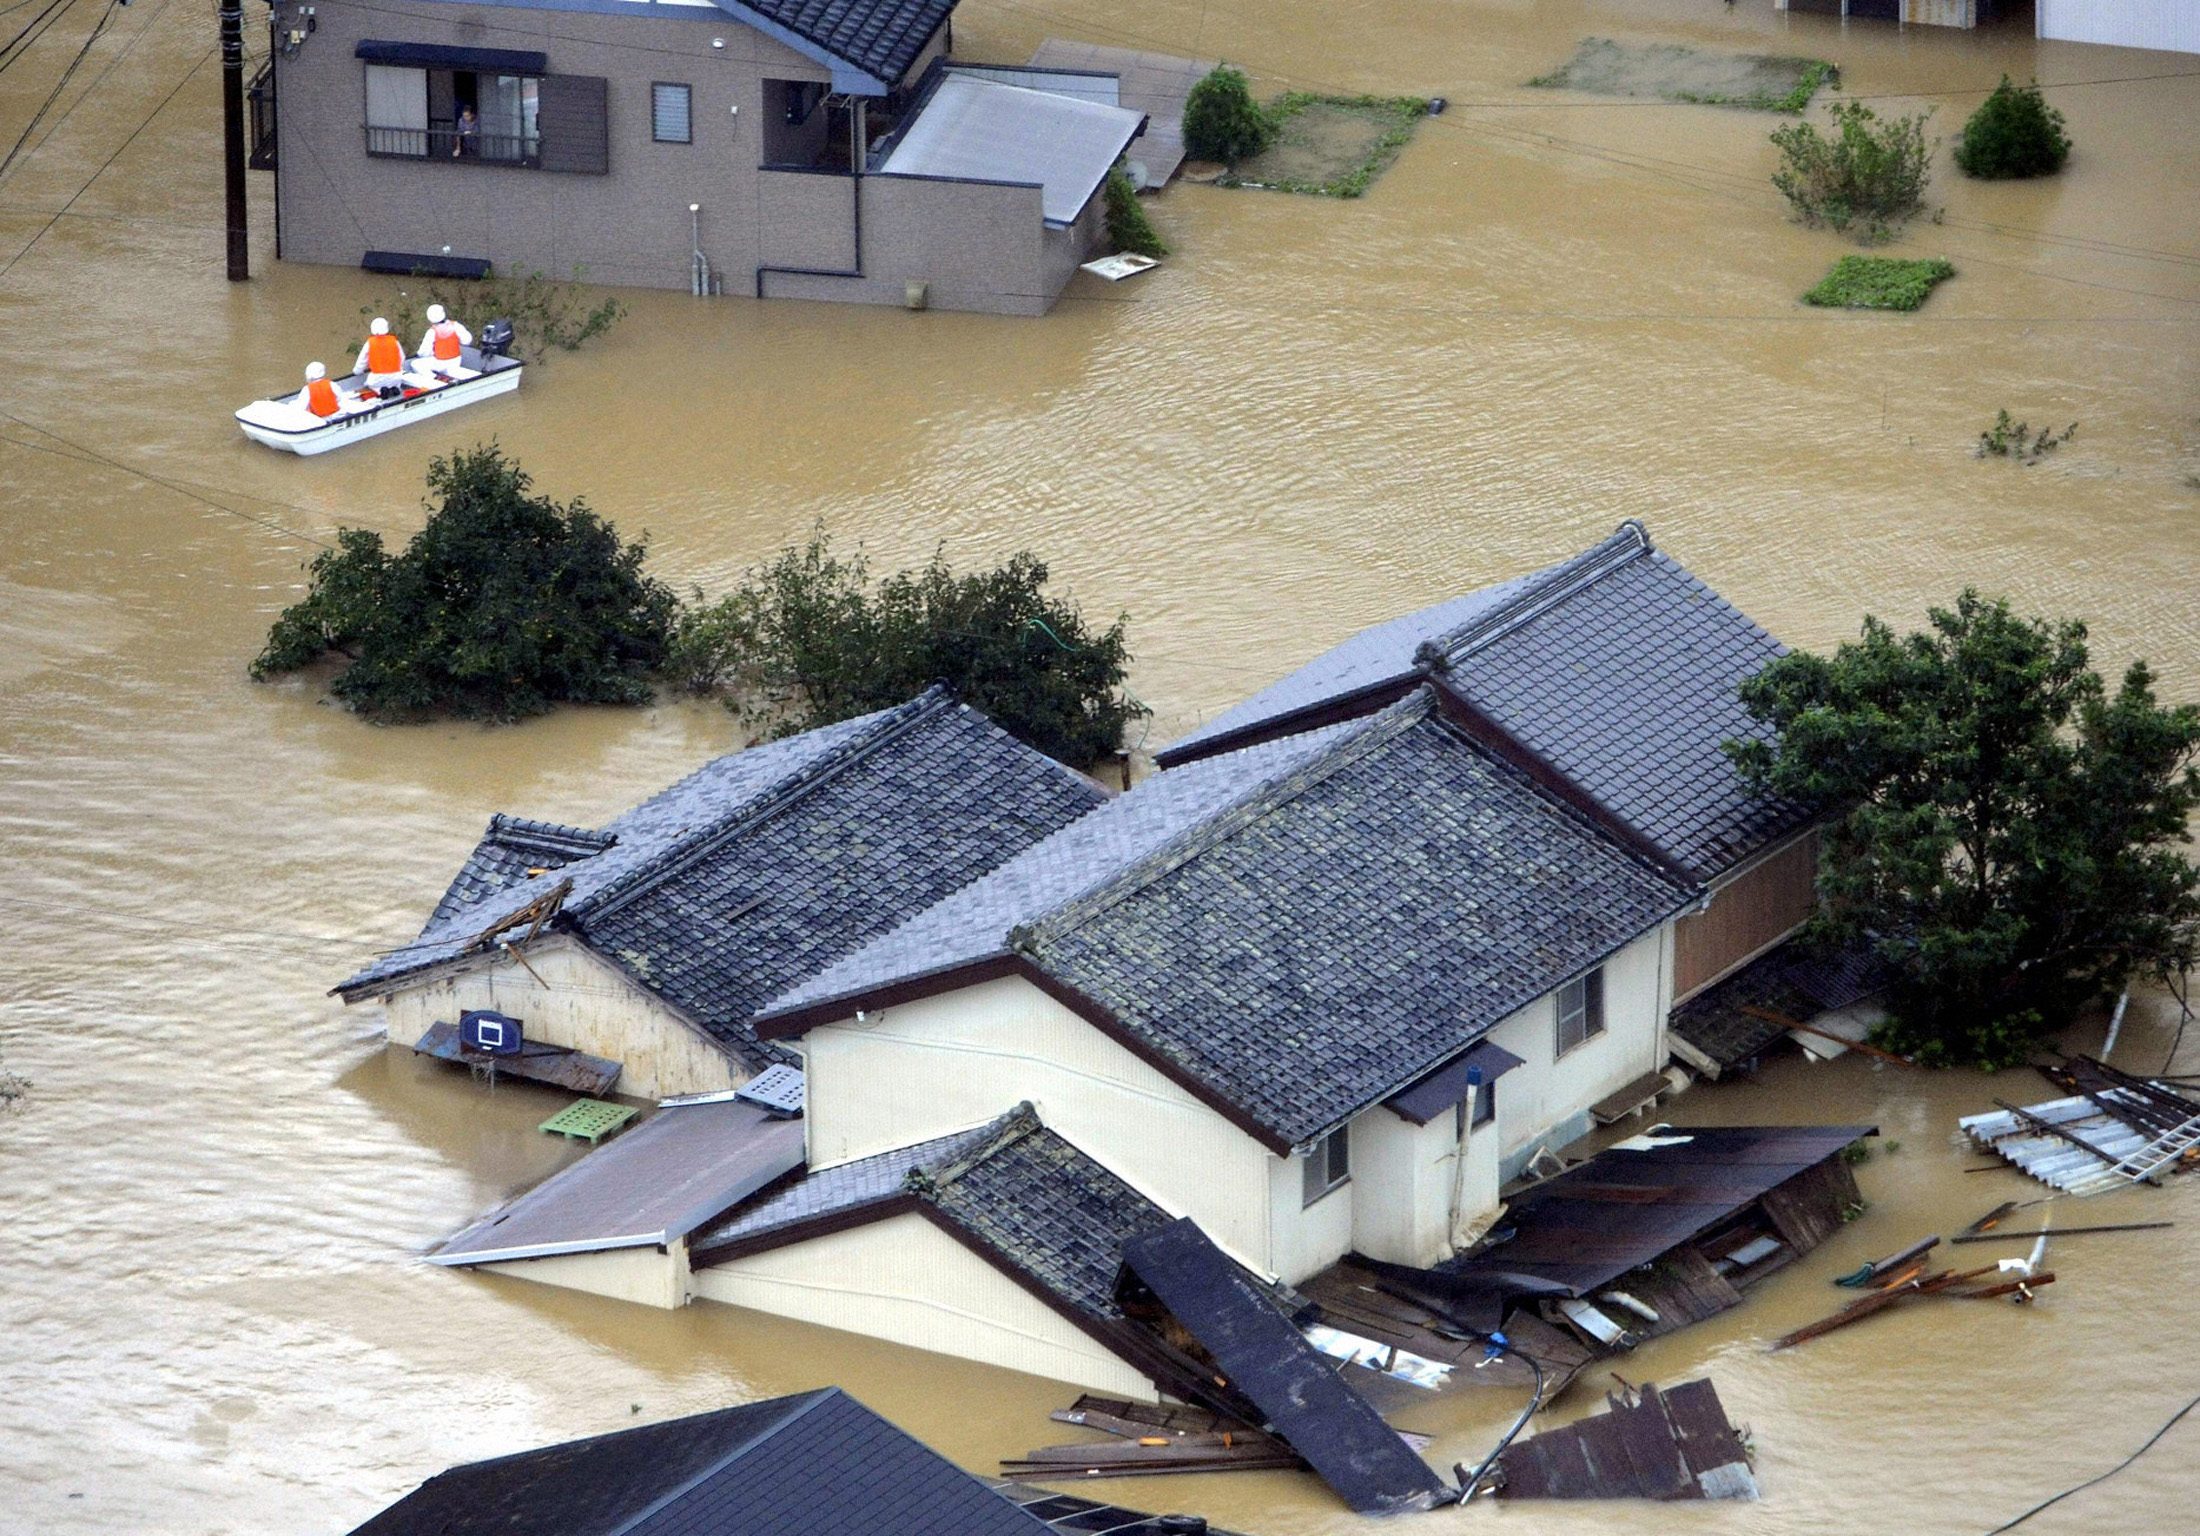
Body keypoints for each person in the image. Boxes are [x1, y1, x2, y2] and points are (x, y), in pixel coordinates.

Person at [416, 304, 473, 375]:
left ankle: (432, 378)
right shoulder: (456, 325)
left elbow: (424, 352)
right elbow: (467, 341)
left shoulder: (431, 332)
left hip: (440, 364)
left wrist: (422, 354)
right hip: (455, 362)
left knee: (415, 363)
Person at [354, 317, 405, 392]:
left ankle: (380, 391)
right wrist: (399, 368)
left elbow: (362, 361)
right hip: (396, 376)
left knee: (370, 383)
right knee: (396, 381)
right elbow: (402, 357)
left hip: (377, 378)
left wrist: (357, 371)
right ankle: (395, 388)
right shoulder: (394, 341)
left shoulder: (370, 343)